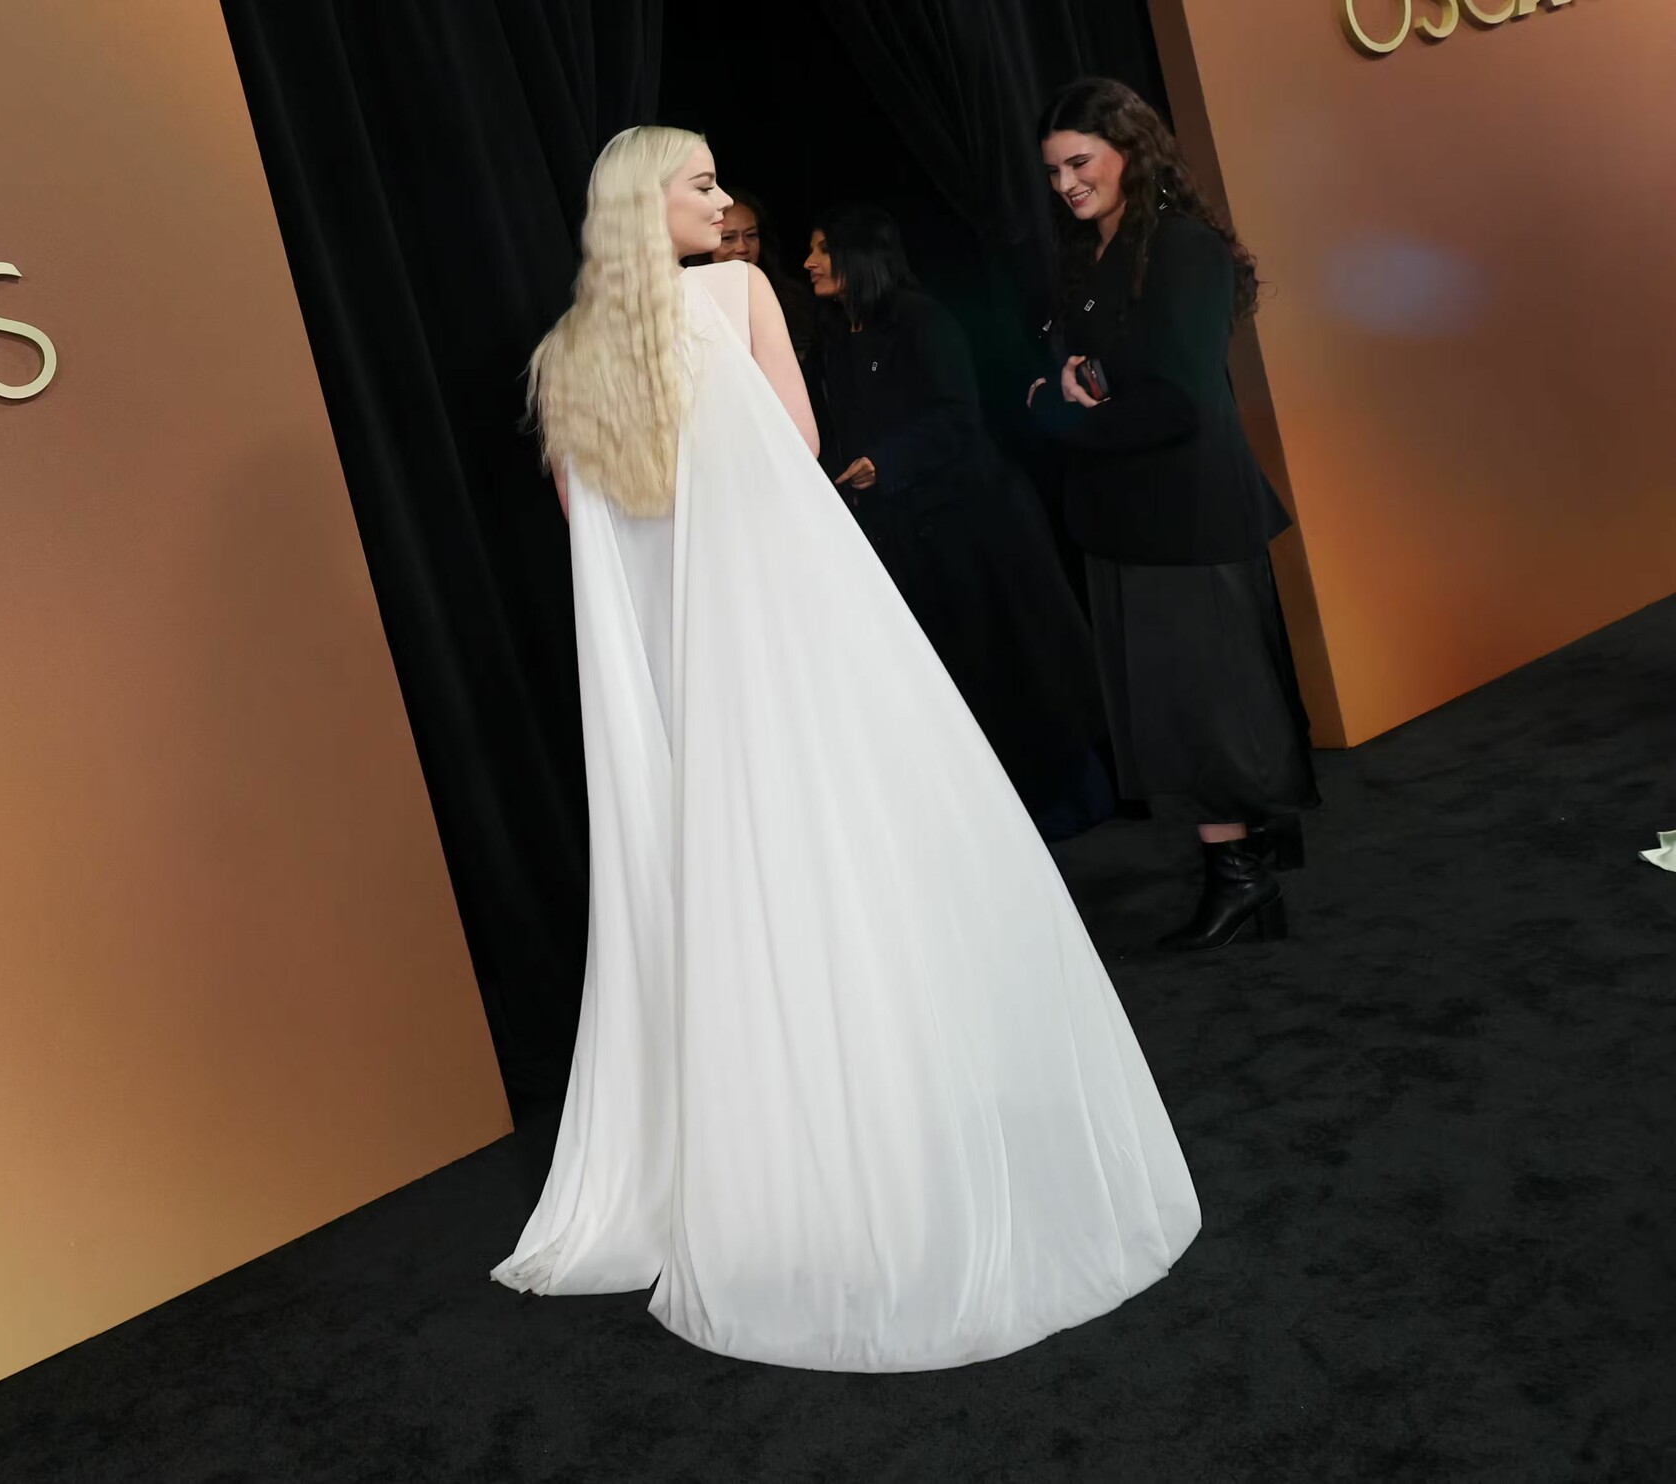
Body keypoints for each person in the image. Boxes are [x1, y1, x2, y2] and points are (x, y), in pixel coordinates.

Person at [490, 124, 1198, 1372]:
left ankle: (758, 1153)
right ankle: (880, 1116)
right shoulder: (735, 296)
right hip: (779, 636)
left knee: (721, 891)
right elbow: (801, 446)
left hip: (671, 682)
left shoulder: (566, 356)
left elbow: (589, 527)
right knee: (843, 858)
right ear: (649, 204)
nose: (723, 202)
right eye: (701, 183)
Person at [1027, 77, 1318, 951]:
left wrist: (1065, 415)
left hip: (1186, 514)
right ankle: (1248, 862)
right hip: (1128, 513)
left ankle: (1243, 878)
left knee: (1202, 705)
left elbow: (1182, 400)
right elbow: (1100, 370)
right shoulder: (1094, 252)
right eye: (1053, 172)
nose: (1066, 184)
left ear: (1131, 150)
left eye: (1080, 163)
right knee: (1179, 703)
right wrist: (1061, 385)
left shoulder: (1182, 248)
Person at [802, 204, 1111, 840]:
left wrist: (884, 463)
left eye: (824, 249)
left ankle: (1069, 802)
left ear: (861, 255)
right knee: (959, 678)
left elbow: (956, 416)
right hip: (907, 534)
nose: (809, 263)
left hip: (974, 527)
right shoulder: (835, 337)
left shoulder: (919, 319)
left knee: (1013, 663)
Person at [713, 188, 814, 360]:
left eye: (751, 235)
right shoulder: (688, 299)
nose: (742, 247)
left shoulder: (792, 301)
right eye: (728, 238)